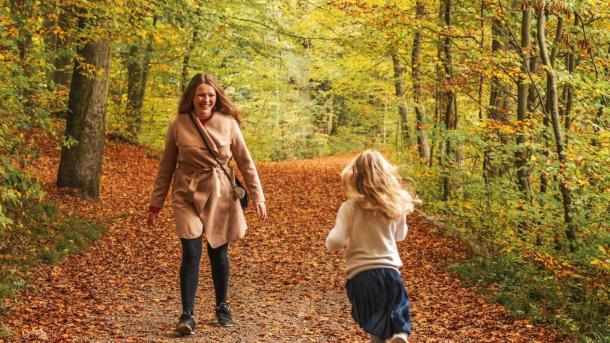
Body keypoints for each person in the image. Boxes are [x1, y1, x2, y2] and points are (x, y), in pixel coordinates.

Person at [147, 73, 267, 336]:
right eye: (201, 94)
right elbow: (166, 166)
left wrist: (258, 196)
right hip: (186, 193)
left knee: (218, 252)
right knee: (191, 252)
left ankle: (222, 306)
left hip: (219, 194)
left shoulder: (228, 123)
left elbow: (246, 163)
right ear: (192, 96)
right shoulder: (178, 124)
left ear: (217, 98)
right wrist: (155, 203)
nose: (206, 99)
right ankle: (187, 314)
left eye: (211, 95)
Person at [326, 150, 416, 343]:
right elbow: (400, 236)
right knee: (396, 314)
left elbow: (335, 242)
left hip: (361, 277)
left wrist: (333, 241)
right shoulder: (395, 206)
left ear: (355, 177)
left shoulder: (349, 207)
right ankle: (399, 336)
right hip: (390, 273)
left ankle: (392, 338)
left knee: (376, 324)